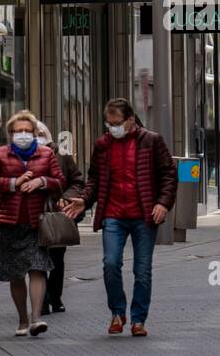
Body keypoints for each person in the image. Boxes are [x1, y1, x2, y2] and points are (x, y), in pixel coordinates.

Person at [63, 98, 177, 336]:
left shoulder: (151, 141)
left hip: (144, 215)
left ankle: (138, 319)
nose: (112, 127)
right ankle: (118, 312)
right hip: (113, 214)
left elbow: (168, 174)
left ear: (130, 120)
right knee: (110, 264)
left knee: (142, 269)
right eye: (109, 123)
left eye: (116, 123)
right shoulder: (103, 145)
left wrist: (163, 203)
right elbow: (94, 179)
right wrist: (84, 200)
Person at [0, 110, 66, 337]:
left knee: (37, 268)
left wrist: (41, 181)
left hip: (36, 222)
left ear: (36, 133)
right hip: (10, 222)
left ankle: (36, 318)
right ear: (10, 134)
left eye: (28, 131)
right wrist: (13, 183)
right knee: (16, 273)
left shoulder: (46, 154)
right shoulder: (0, 154)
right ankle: (22, 319)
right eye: (18, 131)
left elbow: (60, 182)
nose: (23, 135)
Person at [34, 120, 86, 316]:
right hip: (33, 214)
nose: (36, 136)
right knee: (37, 259)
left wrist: (65, 198)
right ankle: (43, 300)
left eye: (40, 132)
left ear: (48, 135)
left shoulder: (62, 155)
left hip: (57, 214)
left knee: (57, 258)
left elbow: (78, 181)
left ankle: (55, 297)